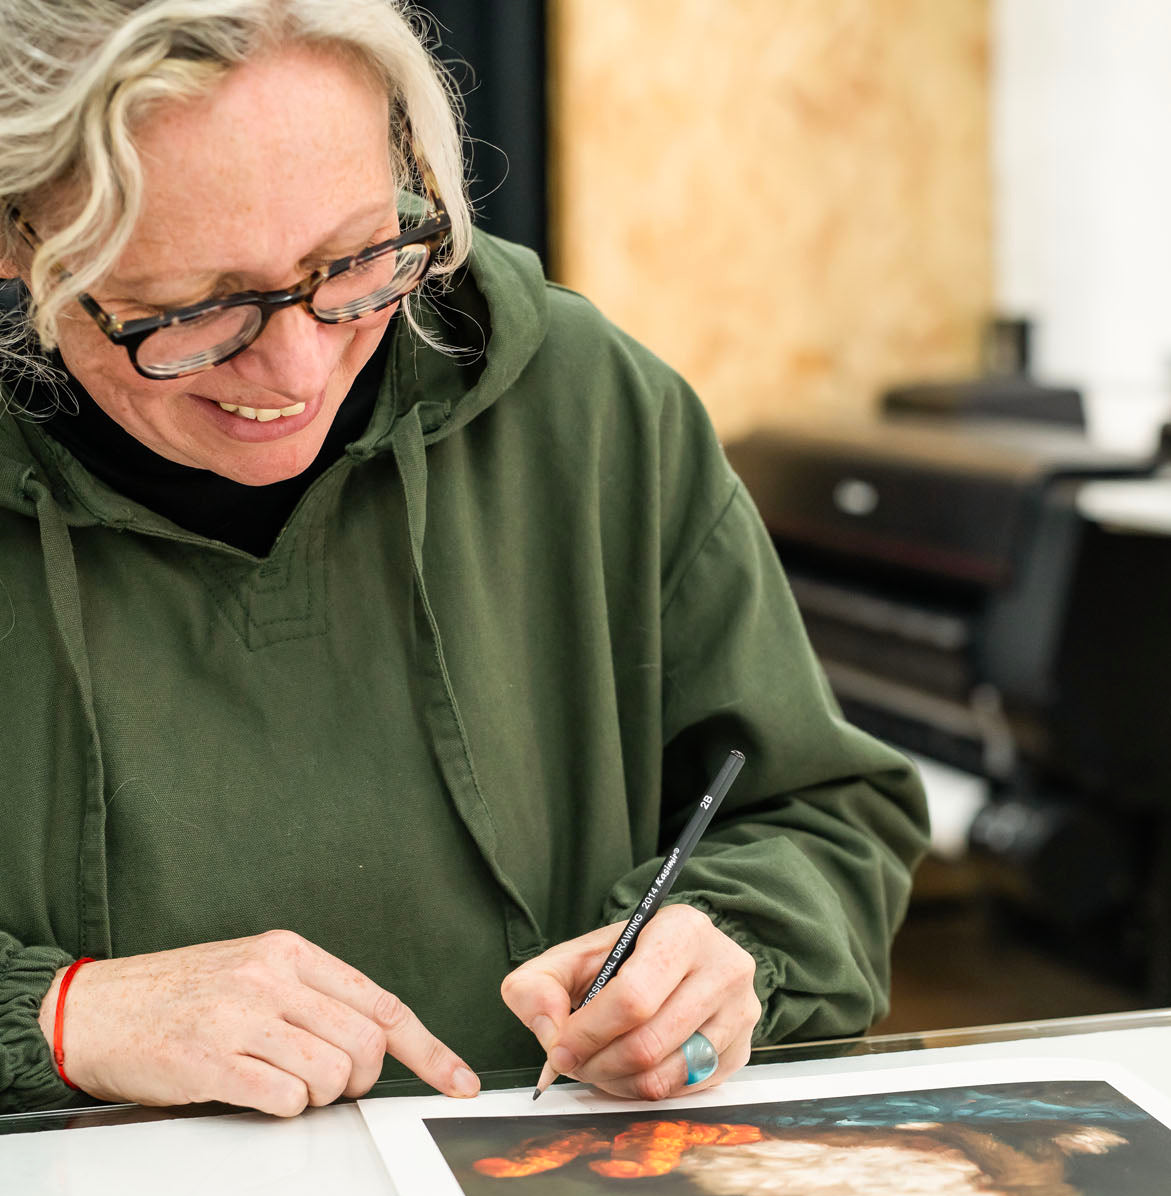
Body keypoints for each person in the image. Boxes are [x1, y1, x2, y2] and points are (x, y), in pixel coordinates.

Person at [0, 0, 928, 1120]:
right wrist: (55, 1015)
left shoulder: (584, 408)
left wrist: (729, 956)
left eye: (354, 260)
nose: (294, 369)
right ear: (18, 239)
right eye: (195, 308)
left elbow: (819, 818)